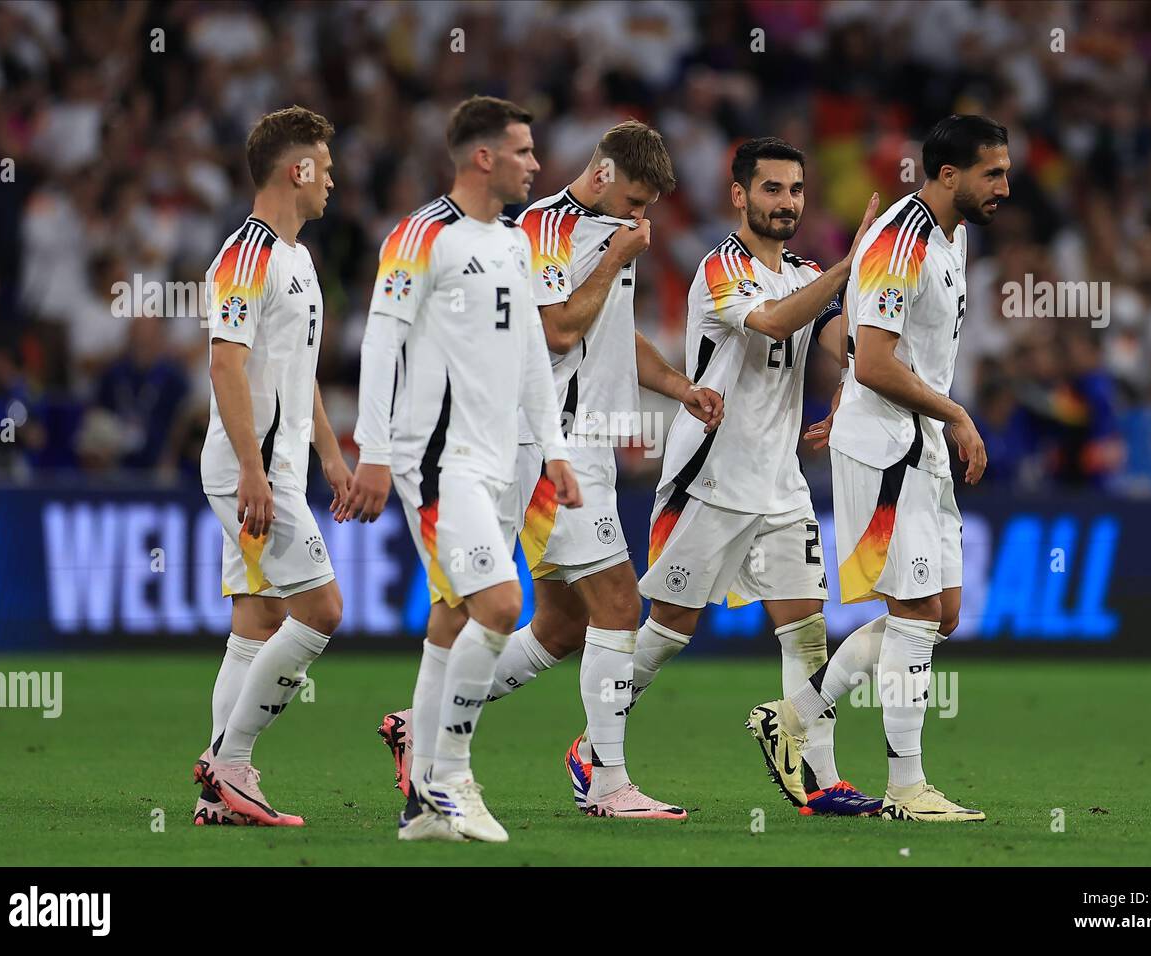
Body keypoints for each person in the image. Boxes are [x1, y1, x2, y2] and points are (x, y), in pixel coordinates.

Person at [342, 96, 581, 842]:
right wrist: (373, 452)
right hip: (437, 460)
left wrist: (556, 448)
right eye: (524, 152)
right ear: (484, 157)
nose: (537, 165)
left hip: (497, 460)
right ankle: (450, 776)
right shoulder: (422, 237)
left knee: (451, 616)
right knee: (502, 605)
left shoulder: (515, 243)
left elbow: (534, 358)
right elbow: (381, 343)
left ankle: (419, 806)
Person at [759, 114, 1010, 822]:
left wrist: (909, 410)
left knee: (944, 615)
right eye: (993, 173)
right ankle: (906, 786)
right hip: (887, 446)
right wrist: (957, 413)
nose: (1006, 186)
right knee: (913, 611)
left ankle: (794, 717)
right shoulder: (900, 239)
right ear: (949, 174)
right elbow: (873, 359)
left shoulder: (951, 237)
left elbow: (880, 345)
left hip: (916, 436)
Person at [633, 135, 883, 815]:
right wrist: (846, 267)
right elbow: (772, 324)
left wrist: (849, 390)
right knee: (670, 630)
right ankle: (594, 744)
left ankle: (819, 779)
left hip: (780, 483)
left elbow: (841, 343)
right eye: (772, 190)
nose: (786, 203)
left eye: (796, 190)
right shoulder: (720, 269)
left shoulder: (803, 270)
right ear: (740, 195)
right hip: (710, 477)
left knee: (807, 627)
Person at [194, 105, 349, 828]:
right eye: (325, 164)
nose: (335, 178)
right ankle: (231, 764)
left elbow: (297, 374)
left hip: (278, 468)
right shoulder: (243, 256)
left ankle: (218, 791)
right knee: (321, 609)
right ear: (298, 170)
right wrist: (254, 471)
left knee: (257, 620)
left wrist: (332, 456)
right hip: (248, 471)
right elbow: (226, 364)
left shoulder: (298, 258)